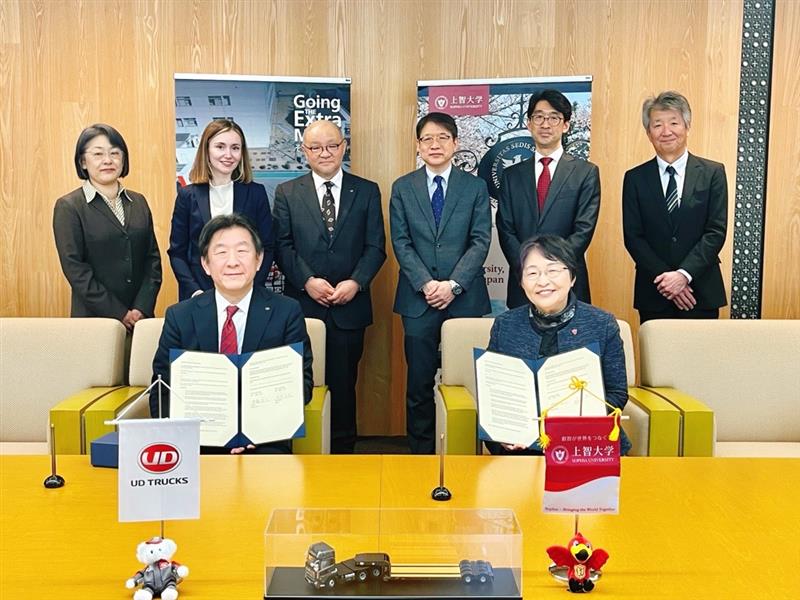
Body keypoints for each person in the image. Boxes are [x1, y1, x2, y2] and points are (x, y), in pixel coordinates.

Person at [152, 214, 313, 455]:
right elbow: (162, 388)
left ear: (259, 260)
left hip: (264, 441)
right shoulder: (180, 316)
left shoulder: (286, 312)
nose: (232, 262)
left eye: (242, 251)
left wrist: (261, 432)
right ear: (205, 264)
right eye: (221, 252)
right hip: (197, 443)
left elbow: (302, 383)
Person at [273, 121, 386, 454]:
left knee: (344, 385)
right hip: (302, 309)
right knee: (300, 384)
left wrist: (357, 281)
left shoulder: (366, 190)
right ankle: (303, 455)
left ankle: (343, 457)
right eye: (316, 147)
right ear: (304, 151)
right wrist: (307, 281)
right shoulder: (287, 193)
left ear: (344, 146)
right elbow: (282, 245)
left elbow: (376, 245)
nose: (325, 153)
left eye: (332, 146)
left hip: (350, 306)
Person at [390, 112, 491, 454]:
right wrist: (426, 284)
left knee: (466, 381)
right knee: (419, 384)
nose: (435, 145)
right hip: (418, 301)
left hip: (464, 300)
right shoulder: (403, 187)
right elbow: (400, 242)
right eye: (427, 139)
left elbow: (480, 240)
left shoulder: (475, 187)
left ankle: (464, 452)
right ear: (418, 146)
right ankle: (420, 454)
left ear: (456, 144)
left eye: (442, 138)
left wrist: (452, 285)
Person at [485, 235, 631, 455]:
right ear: (522, 282)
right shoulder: (505, 325)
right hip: (522, 449)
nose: (543, 281)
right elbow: (494, 391)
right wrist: (504, 430)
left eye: (553, 270)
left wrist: (573, 422)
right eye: (532, 273)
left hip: (586, 447)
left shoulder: (602, 324)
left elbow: (617, 393)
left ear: (572, 276)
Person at [622, 91, 728, 323]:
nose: (666, 131)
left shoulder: (712, 173)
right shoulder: (635, 178)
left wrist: (683, 275)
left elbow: (715, 231)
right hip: (654, 292)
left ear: (687, 126)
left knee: (702, 359)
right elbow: (633, 236)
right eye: (657, 124)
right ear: (648, 132)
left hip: (700, 290)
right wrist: (667, 280)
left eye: (674, 122)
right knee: (657, 360)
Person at [496, 89, 600, 307]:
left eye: (554, 117)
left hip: (568, 281)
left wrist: (552, 270)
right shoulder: (512, 176)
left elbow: (583, 229)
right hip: (523, 282)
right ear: (529, 123)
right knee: (522, 340)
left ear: (565, 125)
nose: (545, 124)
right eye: (539, 117)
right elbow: (505, 228)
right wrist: (528, 268)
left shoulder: (585, 172)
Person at [53, 123, 161, 331]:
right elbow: (76, 270)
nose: (107, 160)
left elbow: (152, 260)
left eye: (115, 153)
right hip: (94, 322)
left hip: (140, 321)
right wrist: (119, 313)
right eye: (98, 154)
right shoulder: (69, 206)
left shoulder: (138, 202)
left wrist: (141, 308)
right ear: (83, 161)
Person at [168, 119, 273, 301]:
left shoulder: (256, 193)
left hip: (247, 296)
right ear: (206, 150)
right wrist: (195, 291)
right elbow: (177, 252)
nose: (228, 154)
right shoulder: (187, 196)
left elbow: (268, 247)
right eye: (220, 147)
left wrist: (250, 289)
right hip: (199, 296)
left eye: (235, 148)